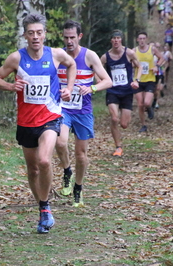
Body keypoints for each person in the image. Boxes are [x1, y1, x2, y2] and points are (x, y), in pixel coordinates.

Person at [0, 14, 76, 234]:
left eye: (39, 32)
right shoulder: (16, 59)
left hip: (50, 117)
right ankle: (42, 208)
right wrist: (11, 87)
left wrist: (68, 87)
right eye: (31, 33)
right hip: (26, 122)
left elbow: (72, 64)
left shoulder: (56, 54)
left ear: (44, 34)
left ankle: (46, 207)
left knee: (45, 160)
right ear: (25, 35)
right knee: (33, 169)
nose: (35, 37)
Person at [55, 20, 112, 207]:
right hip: (63, 108)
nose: (69, 41)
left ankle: (78, 187)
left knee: (81, 154)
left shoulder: (90, 56)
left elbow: (108, 81)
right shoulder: (58, 55)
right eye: (66, 37)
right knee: (60, 142)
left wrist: (92, 88)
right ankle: (66, 170)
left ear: (79, 36)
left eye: (72, 37)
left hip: (83, 111)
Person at [100, 30, 141, 157]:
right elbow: (97, 68)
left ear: (121, 40)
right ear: (111, 41)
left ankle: (119, 141)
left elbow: (139, 66)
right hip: (112, 91)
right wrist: (100, 81)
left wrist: (136, 80)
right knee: (114, 118)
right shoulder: (105, 57)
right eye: (114, 38)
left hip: (127, 91)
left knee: (124, 124)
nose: (116, 40)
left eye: (118, 38)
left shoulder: (129, 53)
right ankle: (118, 147)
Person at [133, 32, 164, 132]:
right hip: (138, 80)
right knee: (140, 104)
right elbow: (128, 61)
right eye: (140, 38)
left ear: (146, 39)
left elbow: (162, 58)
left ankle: (149, 108)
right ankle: (143, 125)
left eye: (143, 38)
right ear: (137, 40)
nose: (142, 40)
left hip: (150, 79)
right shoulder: (134, 51)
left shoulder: (152, 49)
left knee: (146, 102)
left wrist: (157, 66)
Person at [152, 42, 165, 109]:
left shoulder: (159, 55)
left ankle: (156, 102)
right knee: (153, 90)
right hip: (150, 75)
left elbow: (163, 61)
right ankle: (153, 101)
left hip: (158, 73)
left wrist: (160, 67)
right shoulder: (147, 55)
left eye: (158, 47)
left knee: (157, 89)